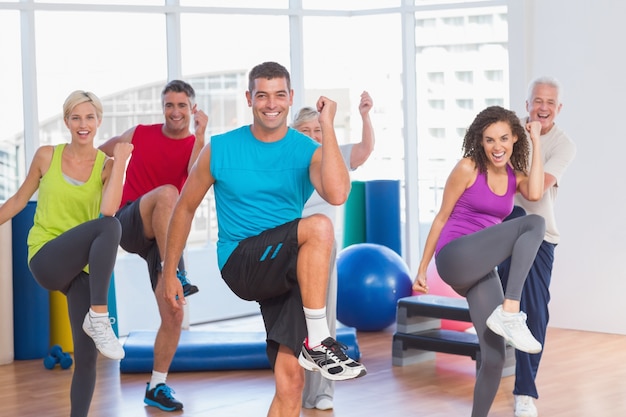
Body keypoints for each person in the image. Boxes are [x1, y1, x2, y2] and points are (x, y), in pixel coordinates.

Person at [162, 61, 367, 417]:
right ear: (249, 98)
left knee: (291, 382)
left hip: (289, 268)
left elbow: (337, 193)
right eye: (262, 95)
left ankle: (314, 341)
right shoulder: (221, 148)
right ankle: (319, 338)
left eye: (278, 95)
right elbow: (183, 209)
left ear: (289, 99)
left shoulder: (305, 149)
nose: (271, 104)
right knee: (319, 227)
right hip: (241, 261)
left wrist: (328, 126)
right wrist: (169, 273)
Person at [0, 90, 133, 417]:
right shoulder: (47, 156)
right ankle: (100, 317)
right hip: (45, 257)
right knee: (110, 227)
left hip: (79, 271)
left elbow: (108, 207)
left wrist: (120, 164)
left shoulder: (106, 166)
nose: (83, 124)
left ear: (99, 121)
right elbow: (18, 201)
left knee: (87, 357)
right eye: (76, 117)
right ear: (66, 121)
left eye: (89, 117)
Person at [412, 105, 546, 417]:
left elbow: (537, 192)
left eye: (503, 139)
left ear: (515, 138)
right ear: (480, 141)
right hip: (455, 255)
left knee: (495, 356)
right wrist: (421, 269)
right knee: (532, 224)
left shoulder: (515, 177)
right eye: (489, 140)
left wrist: (537, 140)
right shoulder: (468, 168)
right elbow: (441, 218)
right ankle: (511, 310)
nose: (497, 147)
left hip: (480, 269)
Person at [98, 80, 208, 412]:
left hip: (165, 236)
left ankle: (156, 385)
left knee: (174, 313)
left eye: (181, 106)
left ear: (192, 109)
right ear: (163, 108)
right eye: (169, 105)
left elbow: (193, 179)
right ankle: (175, 272)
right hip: (131, 218)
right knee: (167, 194)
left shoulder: (197, 145)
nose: (175, 112)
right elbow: (97, 156)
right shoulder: (140, 133)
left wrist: (201, 136)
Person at [497, 76, 576, 417]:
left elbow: (535, 189)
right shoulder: (507, 132)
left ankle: (525, 392)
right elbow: (491, 179)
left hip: (540, 233)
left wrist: (534, 142)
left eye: (550, 103)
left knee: (536, 309)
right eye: (537, 100)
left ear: (558, 109)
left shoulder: (563, 144)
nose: (542, 107)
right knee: (495, 307)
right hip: (501, 228)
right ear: (527, 103)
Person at [293, 91, 375, 411]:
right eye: (305, 131)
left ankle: (322, 391)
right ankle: (296, 387)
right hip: (291, 243)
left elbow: (365, 150)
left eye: (318, 129)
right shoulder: (287, 160)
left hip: (323, 249)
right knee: (293, 319)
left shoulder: (334, 154)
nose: (314, 136)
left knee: (323, 321)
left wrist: (365, 115)